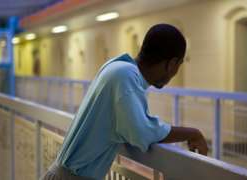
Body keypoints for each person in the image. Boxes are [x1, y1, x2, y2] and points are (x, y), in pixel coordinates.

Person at [41, 24, 208, 180]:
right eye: (178, 65)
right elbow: (142, 133)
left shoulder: (117, 68)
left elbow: (129, 127)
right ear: (172, 64)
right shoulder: (125, 76)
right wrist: (193, 133)